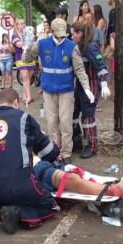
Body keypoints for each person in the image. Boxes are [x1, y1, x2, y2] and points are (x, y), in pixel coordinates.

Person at [0, 88, 61, 234]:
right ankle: (18, 212)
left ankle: (3, 207)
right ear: (16, 102)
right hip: (20, 186)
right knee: (50, 206)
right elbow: (47, 152)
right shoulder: (23, 118)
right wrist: (56, 151)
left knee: (8, 190)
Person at [23, 18, 93, 165]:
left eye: (63, 34)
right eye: (58, 34)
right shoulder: (42, 44)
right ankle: (55, 152)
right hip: (48, 90)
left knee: (66, 123)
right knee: (52, 123)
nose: (60, 37)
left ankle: (66, 153)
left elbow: (79, 69)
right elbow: (27, 59)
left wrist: (87, 88)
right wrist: (28, 47)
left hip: (66, 91)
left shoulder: (71, 47)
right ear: (52, 31)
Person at [70, 21, 110, 159]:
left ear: (79, 34)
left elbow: (101, 67)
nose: (71, 36)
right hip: (80, 86)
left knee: (88, 117)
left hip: (91, 86)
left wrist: (104, 85)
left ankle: (92, 146)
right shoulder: (78, 47)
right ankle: (76, 141)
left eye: (73, 34)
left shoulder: (91, 47)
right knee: (73, 114)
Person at [12, 19, 36, 104]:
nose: (23, 25)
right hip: (21, 58)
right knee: (25, 77)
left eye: (24, 23)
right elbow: (19, 44)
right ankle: (29, 96)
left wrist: (29, 42)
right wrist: (28, 42)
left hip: (30, 57)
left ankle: (25, 95)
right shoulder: (15, 36)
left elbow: (34, 43)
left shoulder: (29, 33)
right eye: (21, 24)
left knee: (28, 78)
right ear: (17, 26)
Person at [105, 0, 116, 100]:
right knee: (114, 69)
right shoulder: (111, 11)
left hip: (117, 40)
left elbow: (114, 29)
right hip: (112, 41)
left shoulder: (117, 11)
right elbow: (110, 28)